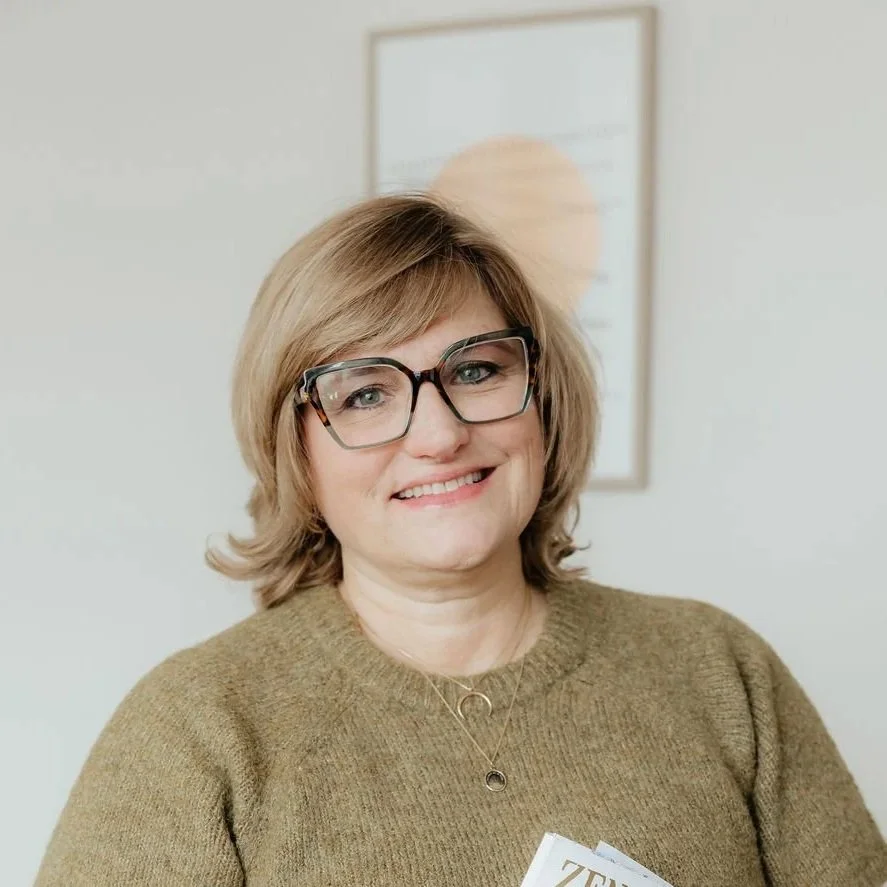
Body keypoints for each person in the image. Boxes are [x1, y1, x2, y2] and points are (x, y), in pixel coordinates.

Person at [36, 194, 886, 887]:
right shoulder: (197, 727)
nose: (438, 434)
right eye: (365, 394)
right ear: (293, 446)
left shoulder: (717, 670)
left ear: (540, 395)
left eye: (476, 370)